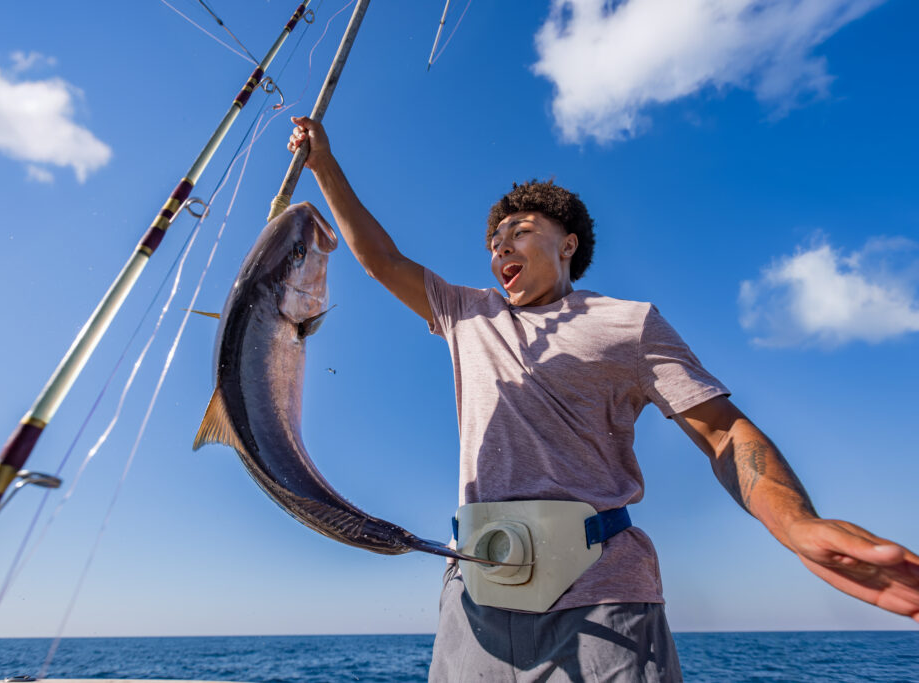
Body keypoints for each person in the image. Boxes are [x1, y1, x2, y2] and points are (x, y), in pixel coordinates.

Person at [287, 116, 919, 682]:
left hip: (602, 598)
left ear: (568, 245)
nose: (500, 245)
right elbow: (379, 259)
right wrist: (325, 164)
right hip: (476, 598)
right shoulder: (465, 313)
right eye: (494, 240)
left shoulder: (630, 323)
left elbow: (724, 432)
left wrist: (797, 525)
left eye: (520, 231)